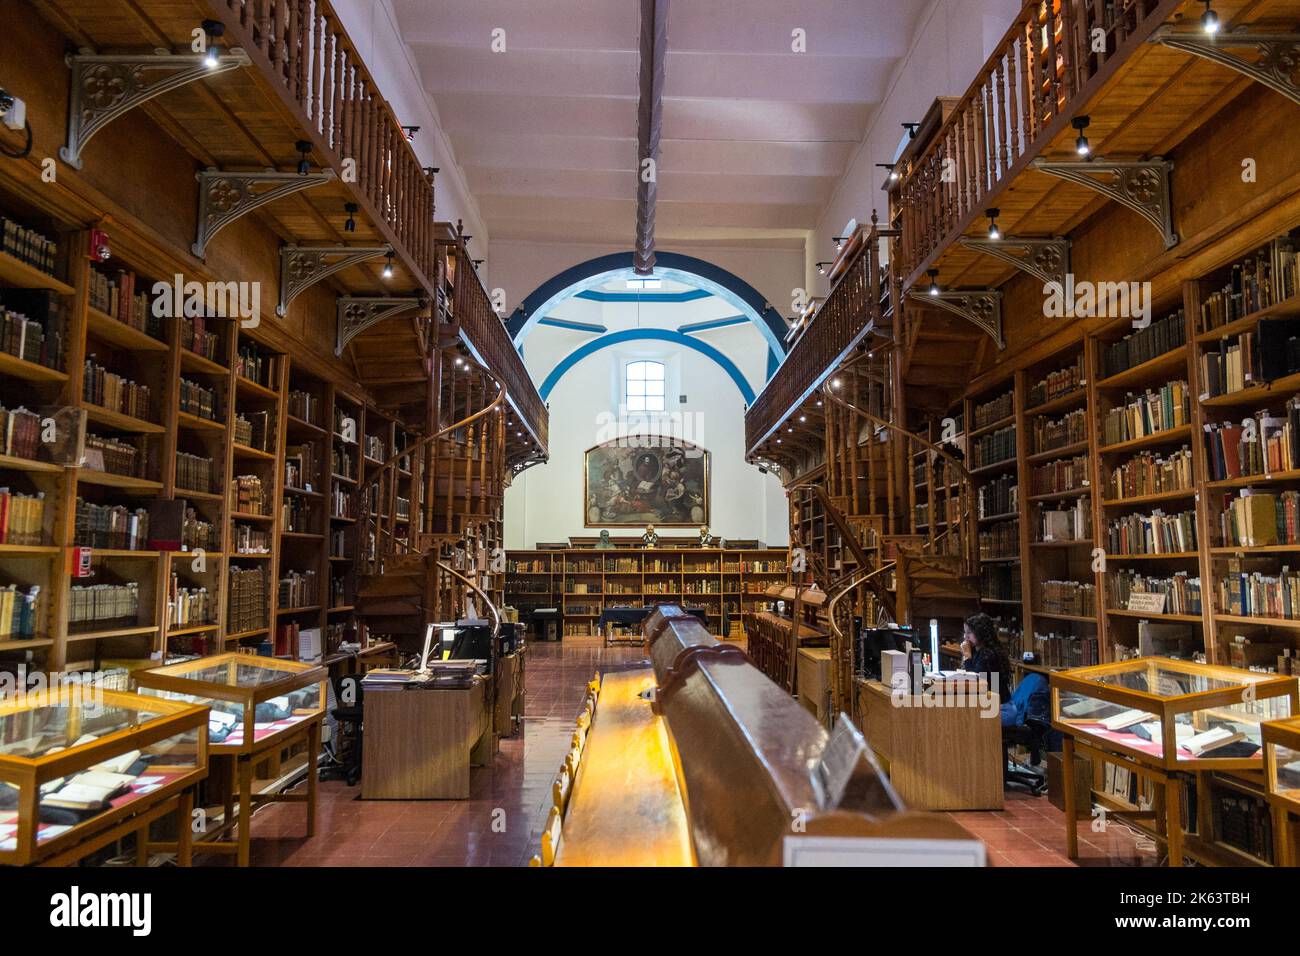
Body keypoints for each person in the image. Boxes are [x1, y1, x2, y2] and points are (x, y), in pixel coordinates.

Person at [960, 612, 1010, 701]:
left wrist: (967, 656)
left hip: (1000, 707)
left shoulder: (990, 654)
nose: (965, 637)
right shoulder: (977, 651)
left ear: (980, 632)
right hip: (989, 703)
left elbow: (974, 682)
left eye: (969, 632)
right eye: (965, 632)